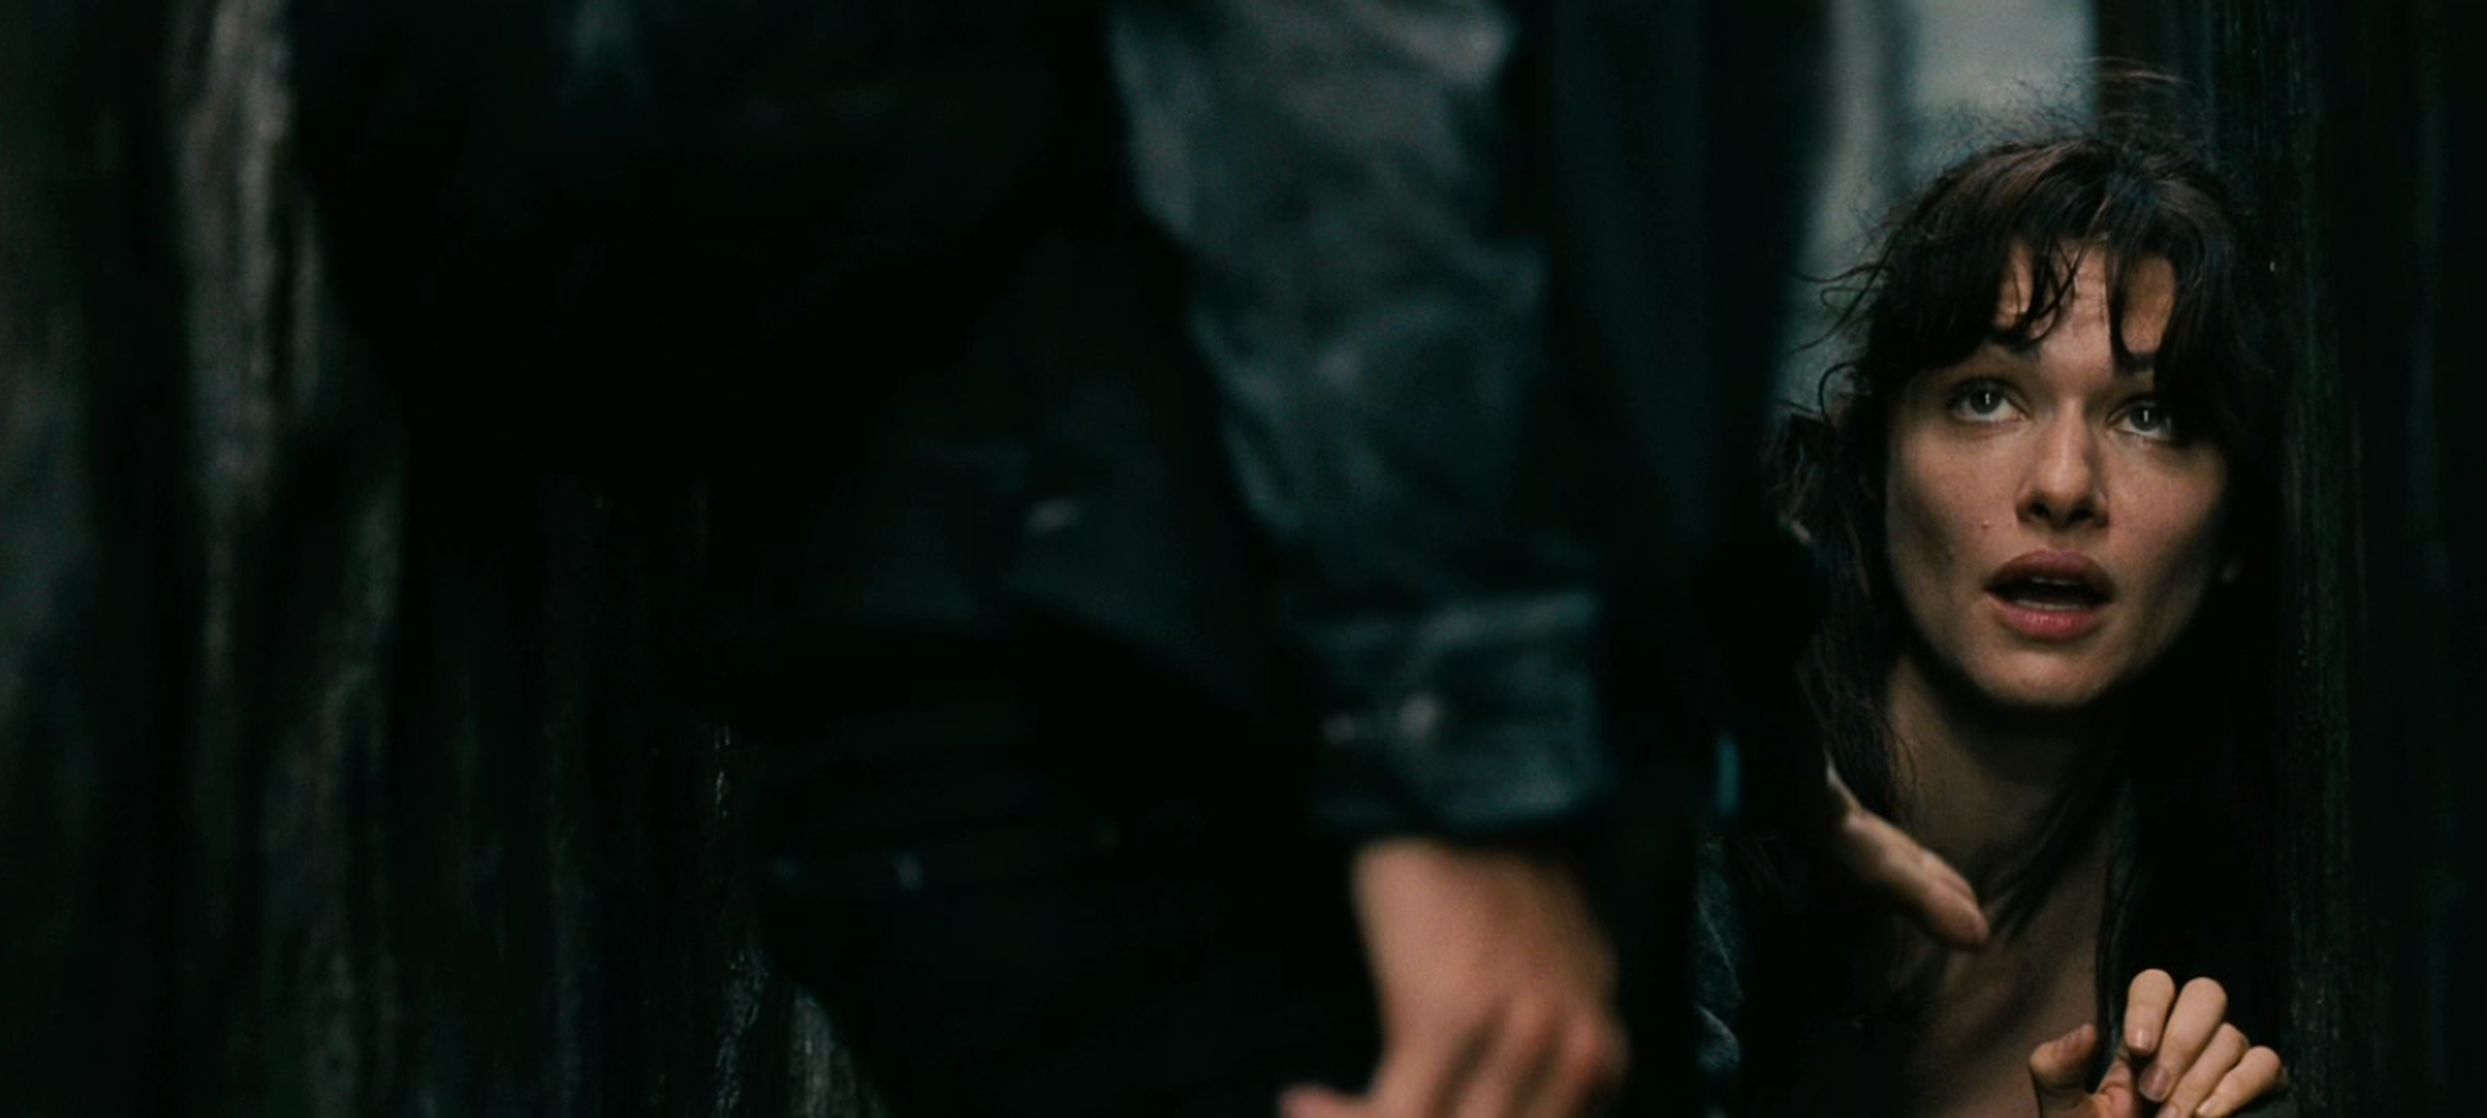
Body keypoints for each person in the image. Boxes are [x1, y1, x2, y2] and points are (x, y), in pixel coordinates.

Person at [291, 2, 1986, 1117]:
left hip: (1221, 676)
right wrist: (1454, 778)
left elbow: (1592, 197)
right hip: (1164, 703)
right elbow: (1340, 78)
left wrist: (1732, 684)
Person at [1701, 110, 2302, 1118]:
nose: (2063, 485)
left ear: (2236, 527)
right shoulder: (1708, 784)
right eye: (1986, 399)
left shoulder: (2230, 953)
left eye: (2151, 416)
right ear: (1875, 463)